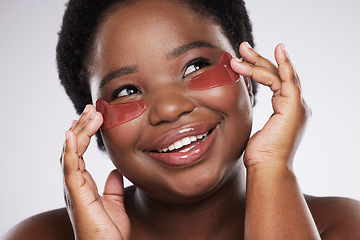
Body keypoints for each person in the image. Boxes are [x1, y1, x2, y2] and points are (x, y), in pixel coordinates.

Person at [4, 0, 360, 239]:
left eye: (195, 66)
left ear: (249, 76)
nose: (170, 109)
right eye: (126, 91)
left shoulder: (341, 226)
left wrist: (271, 168)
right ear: (94, 125)